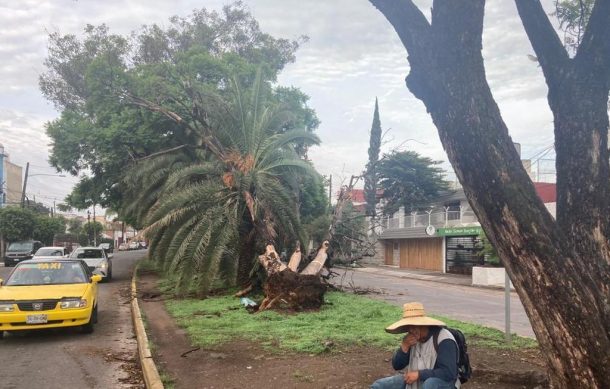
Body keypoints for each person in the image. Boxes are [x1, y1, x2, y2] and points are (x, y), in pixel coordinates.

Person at [371, 302, 460, 389]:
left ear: (424, 324)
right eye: (409, 326)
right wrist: (404, 347)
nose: (411, 330)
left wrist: (419, 374)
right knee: (379, 385)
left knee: (430, 384)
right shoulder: (411, 339)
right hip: (417, 382)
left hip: (443, 384)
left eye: (414, 325)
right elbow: (397, 366)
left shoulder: (444, 339)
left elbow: (448, 373)